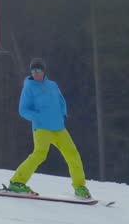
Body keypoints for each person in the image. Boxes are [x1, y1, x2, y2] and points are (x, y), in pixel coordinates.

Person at [5, 57, 91, 199]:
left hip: (59, 128)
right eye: (33, 70)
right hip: (42, 128)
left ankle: (80, 187)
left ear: (44, 71)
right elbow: (23, 109)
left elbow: (61, 101)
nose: (35, 73)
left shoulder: (52, 85)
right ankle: (16, 182)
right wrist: (37, 117)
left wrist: (62, 114)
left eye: (38, 70)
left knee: (73, 155)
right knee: (40, 154)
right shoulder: (29, 87)